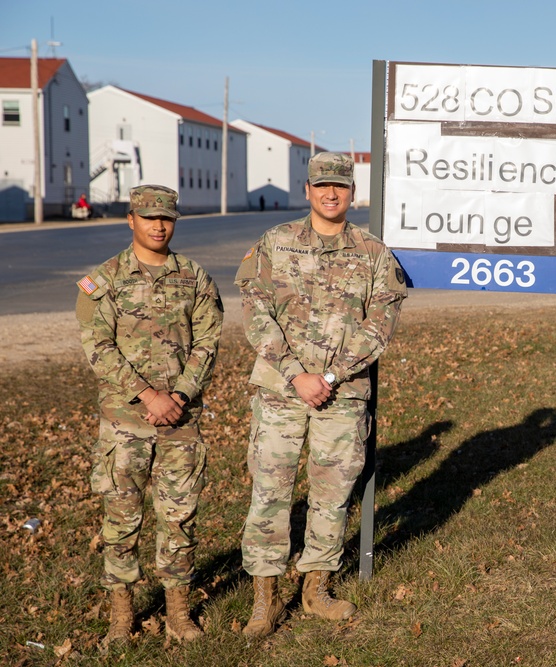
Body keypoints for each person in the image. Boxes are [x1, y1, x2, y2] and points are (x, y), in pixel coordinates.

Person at [235, 152, 407, 637]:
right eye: (322, 186)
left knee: (332, 495)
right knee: (270, 491)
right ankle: (264, 600)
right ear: (307, 191)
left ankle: (316, 589)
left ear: (353, 194)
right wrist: (295, 374)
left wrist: (329, 377)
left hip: (344, 393)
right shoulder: (276, 242)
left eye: (341, 186)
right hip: (280, 391)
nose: (331, 194)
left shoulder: (374, 253)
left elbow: (382, 325)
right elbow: (255, 312)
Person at [76, 185, 224, 644]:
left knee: (179, 519)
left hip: (181, 422)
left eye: (167, 218)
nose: (159, 225)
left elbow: (208, 341)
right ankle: (123, 615)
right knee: (121, 521)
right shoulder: (104, 280)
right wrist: (146, 394)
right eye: (149, 217)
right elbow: (97, 346)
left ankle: (179, 612)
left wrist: (177, 395)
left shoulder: (195, 277)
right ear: (131, 219)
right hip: (125, 423)